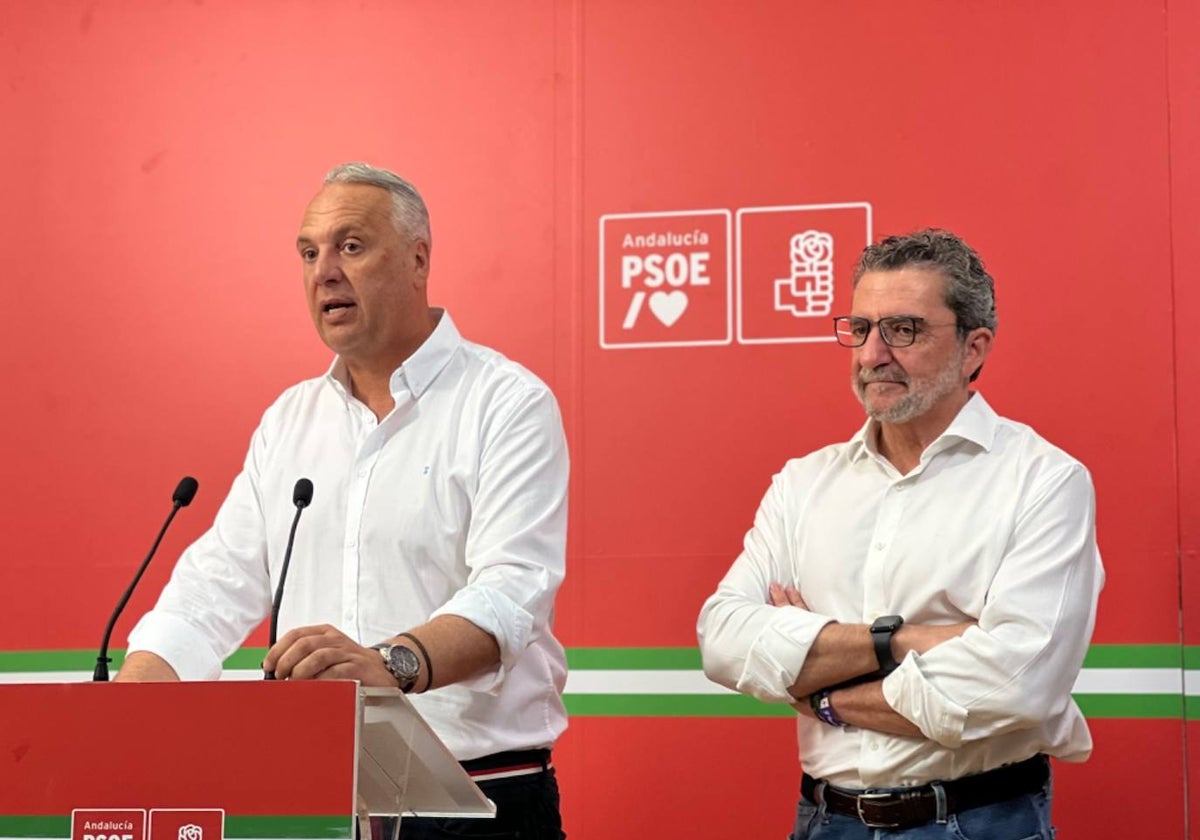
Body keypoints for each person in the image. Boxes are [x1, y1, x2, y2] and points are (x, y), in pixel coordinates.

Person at [117, 162, 569, 840]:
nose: (323, 270)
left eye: (351, 246)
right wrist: (132, 699)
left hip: (479, 801)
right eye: (308, 252)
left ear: (419, 260)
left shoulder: (506, 403)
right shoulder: (290, 420)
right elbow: (216, 584)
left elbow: (510, 593)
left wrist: (388, 666)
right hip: (319, 804)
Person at [696, 229, 1103, 839]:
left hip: (978, 822)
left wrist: (823, 693)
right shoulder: (803, 483)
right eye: (859, 329)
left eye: (904, 330)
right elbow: (723, 640)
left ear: (974, 347)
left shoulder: (1043, 481)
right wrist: (904, 640)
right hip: (825, 821)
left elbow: (1020, 686)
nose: (871, 355)